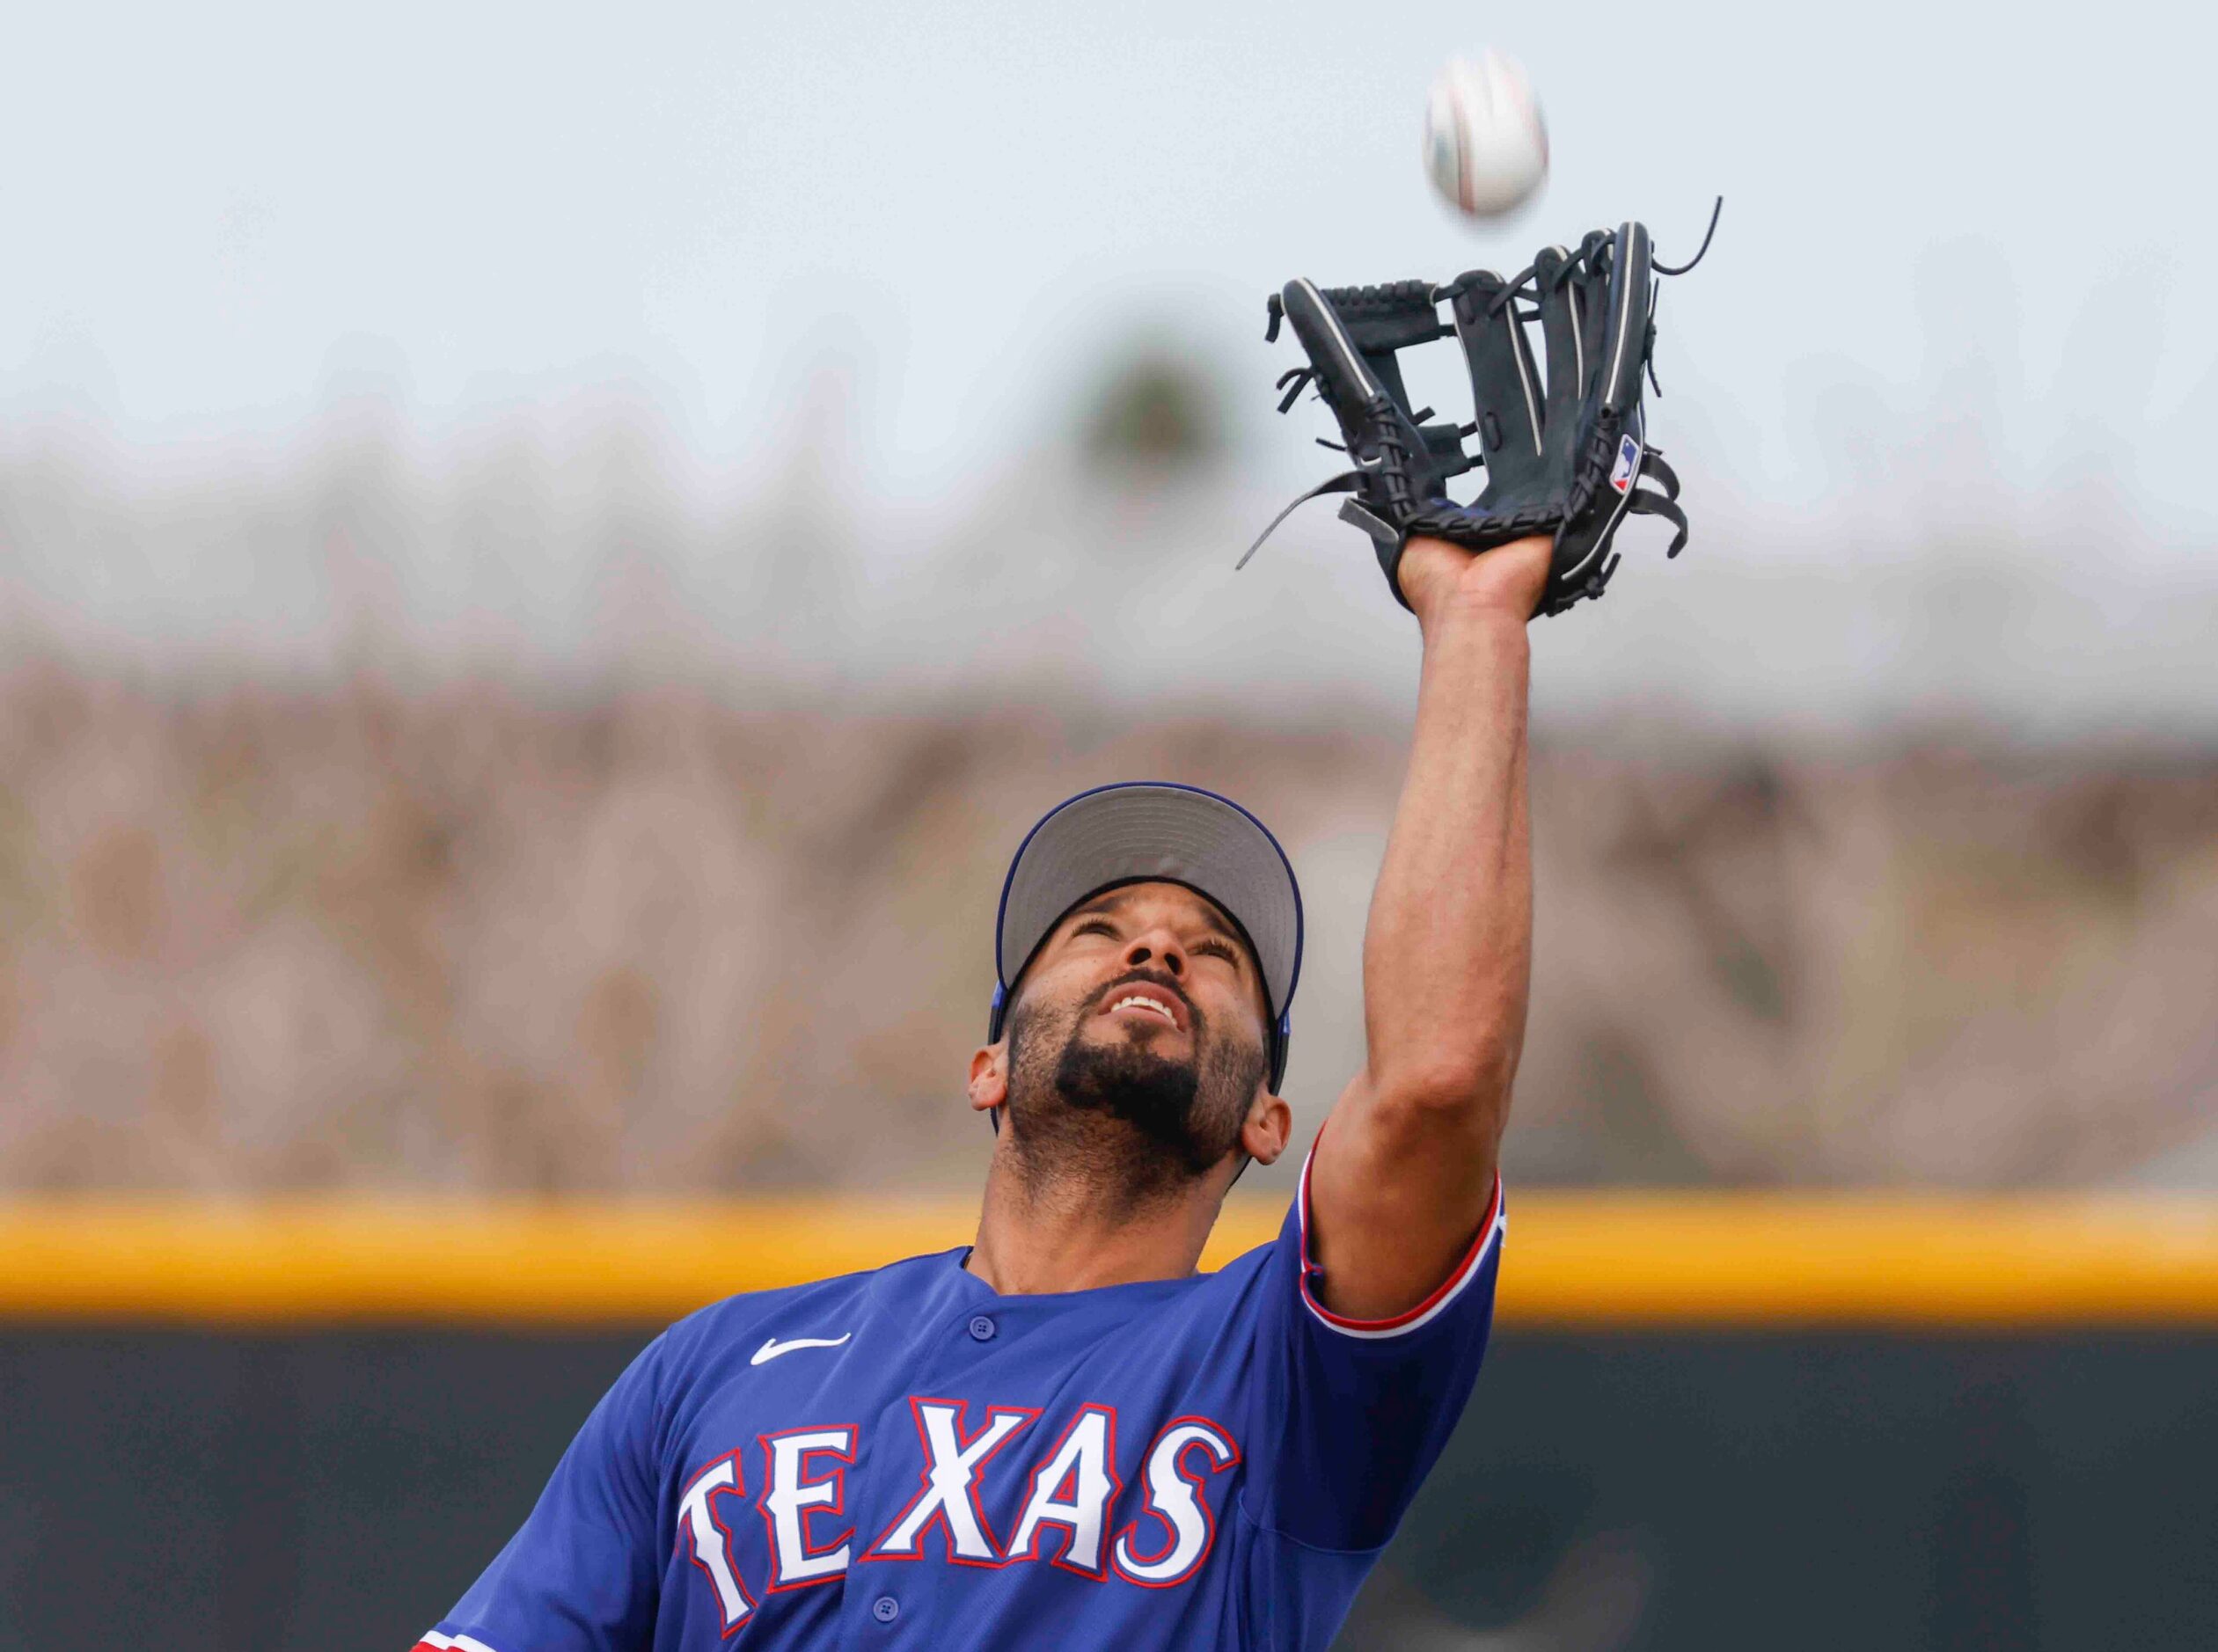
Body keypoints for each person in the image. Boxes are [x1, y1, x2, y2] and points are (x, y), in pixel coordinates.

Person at [412, 532, 1551, 1652]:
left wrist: (1476, 625)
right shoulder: (712, 1366)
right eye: (1098, 928)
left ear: (1268, 1118)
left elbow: (1436, 1086)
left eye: (1215, 954)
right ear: (988, 1065)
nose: (1154, 947)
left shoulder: (1279, 1374)